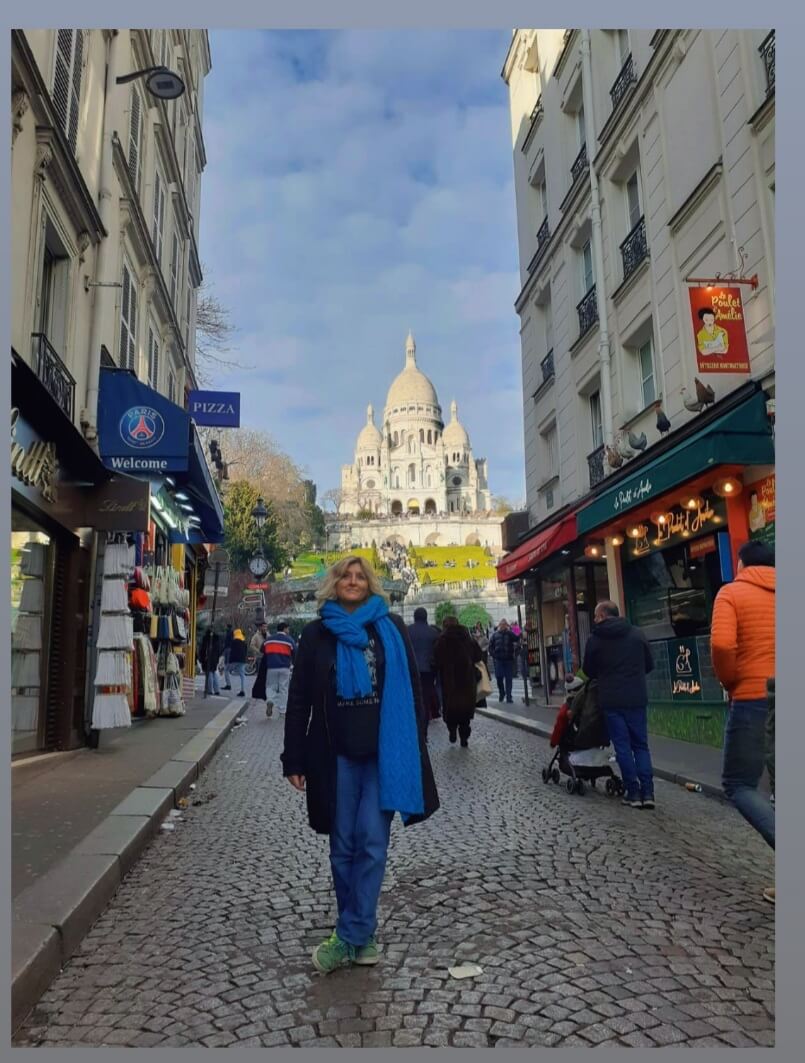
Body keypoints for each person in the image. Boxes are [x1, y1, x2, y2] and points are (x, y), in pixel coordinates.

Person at [282, 555, 439, 974]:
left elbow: (413, 691)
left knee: (371, 841)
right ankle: (362, 933)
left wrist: (417, 743)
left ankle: (350, 935)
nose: (353, 581)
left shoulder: (391, 628)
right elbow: (299, 700)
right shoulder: (316, 634)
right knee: (342, 847)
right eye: (345, 576)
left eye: (360, 576)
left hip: (384, 753)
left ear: (370, 584)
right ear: (333, 584)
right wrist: (293, 757)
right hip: (334, 754)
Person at [711, 540, 775, 900]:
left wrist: (730, 682)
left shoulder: (732, 593)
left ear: (741, 565)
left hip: (754, 697)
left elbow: (722, 645)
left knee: (739, 783)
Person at [582, 600, 655, 809]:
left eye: (596, 616)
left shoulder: (596, 639)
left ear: (603, 616)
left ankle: (633, 793)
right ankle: (648, 792)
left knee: (623, 748)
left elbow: (588, 670)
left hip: (612, 700)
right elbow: (649, 664)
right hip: (636, 697)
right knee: (641, 746)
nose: (594, 620)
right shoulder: (637, 634)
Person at [433, 616, 483, 747]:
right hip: (467, 681)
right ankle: (464, 737)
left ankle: (452, 730)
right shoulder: (468, 639)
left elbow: (436, 660)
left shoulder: (442, 640)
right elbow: (478, 656)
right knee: (465, 711)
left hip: (450, 682)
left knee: (451, 708)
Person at [406, 607, 441, 725]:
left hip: (411, 669)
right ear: (426, 617)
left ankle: (415, 719)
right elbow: (437, 653)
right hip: (428, 670)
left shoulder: (407, 631)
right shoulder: (433, 632)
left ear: (415, 617)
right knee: (426, 697)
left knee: (412, 696)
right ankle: (424, 720)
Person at [256, 621, 297, 719]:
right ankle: (282, 711)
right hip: (284, 668)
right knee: (283, 689)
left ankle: (270, 700)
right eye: (288, 628)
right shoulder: (289, 640)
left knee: (271, 686)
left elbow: (262, 650)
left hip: (271, 667)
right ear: (284, 629)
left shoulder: (269, 640)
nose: (288, 630)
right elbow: (295, 652)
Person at [488, 618, 518, 704]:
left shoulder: (510, 633)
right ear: (499, 625)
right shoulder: (494, 635)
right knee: (499, 678)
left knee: (509, 679)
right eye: (502, 624)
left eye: (505, 624)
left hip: (508, 660)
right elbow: (490, 647)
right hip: (499, 660)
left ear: (507, 625)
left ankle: (509, 697)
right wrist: (494, 655)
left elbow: (517, 637)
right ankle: (502, 693)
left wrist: (515, 627)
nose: (503, 626)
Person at [200, 626, 222, 698]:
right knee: (214, 673)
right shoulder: (217, 638)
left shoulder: (206, 638)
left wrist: (202, 659)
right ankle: (216, 690)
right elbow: (219, 650)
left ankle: (209, 690)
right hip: (215, 658)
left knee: (209, 673)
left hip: (208, 658)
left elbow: (203, 649)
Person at [227, 628, 248, 696]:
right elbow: (245, 651)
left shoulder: (233, 642)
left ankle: (228, 684)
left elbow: (232, 652)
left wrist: (229, 661)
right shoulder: (244, 642)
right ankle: (242, 690)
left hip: (234, 660)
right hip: (242, 660)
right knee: (242, 675)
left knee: (226, 670)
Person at [221, 624, 234, 689]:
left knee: (226, 669)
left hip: (227, 650)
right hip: (230, 650)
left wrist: (223, 649)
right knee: (227, 668)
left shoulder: (228, 634)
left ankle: (228, 685)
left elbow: (226, 643)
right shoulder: (232, 634)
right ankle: (228, 684)